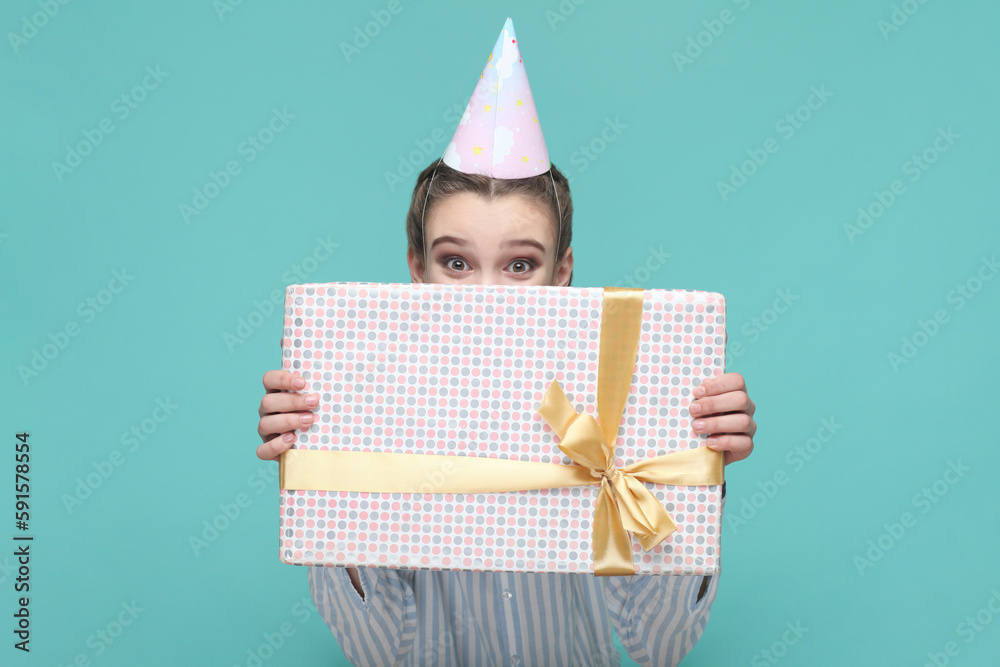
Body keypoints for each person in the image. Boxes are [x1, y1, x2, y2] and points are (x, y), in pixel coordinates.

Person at [256, 18, 756, 666]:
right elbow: (379, 651)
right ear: (417, 268)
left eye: (519, 264)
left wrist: (699, 476)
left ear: (561, 272)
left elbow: (656, 645)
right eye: (456, 262)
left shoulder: (613, 410)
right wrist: (324, 467)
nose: (488, 294)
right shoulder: (375, 406)